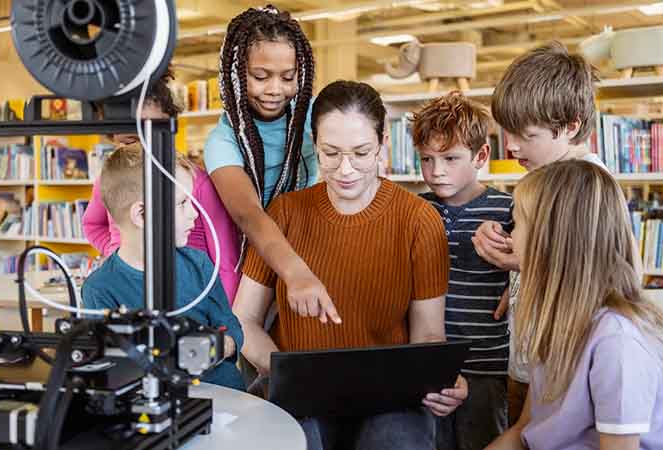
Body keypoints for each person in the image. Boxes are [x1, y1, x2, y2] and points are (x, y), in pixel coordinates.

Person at [232, 80, 468, 450]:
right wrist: (284, 371)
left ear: (382, 145)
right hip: (301, 395)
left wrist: (441, 382)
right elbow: (243, 319)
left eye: (360, 153)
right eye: (330, 153)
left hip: (391, 399)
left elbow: (427, 336)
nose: (345, 169)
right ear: (314, 145)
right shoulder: (286, 213)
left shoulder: (418, 220)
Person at [485, 159, 663, 450]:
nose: (510, 235)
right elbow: (524, 432)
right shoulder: (556, 321)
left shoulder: (617, 341)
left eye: (517, 224)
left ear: (552, 240)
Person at [470, 41, 606, 424]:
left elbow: (600, 276)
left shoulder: (590, 187)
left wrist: (519, 260)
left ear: (571, 126)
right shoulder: (541, 181)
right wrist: (514, 270)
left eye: (525, 135)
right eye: (506, 133)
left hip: (565, 375)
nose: (510, 147)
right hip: (527, 363)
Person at [205, 5, 341, 324]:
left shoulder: (310, 119)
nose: (275, 90)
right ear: (235, 75)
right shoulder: (222, 142)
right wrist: (295, 271)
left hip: (312, 244)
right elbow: (248, 213)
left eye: (288, 77)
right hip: (253, 263)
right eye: (260, 76)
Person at [81, 145, 244, 391]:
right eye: (182, 203)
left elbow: (232, 327)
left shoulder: (197, 264)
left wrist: (217, 347)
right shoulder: (99, 289)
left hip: (225, 398)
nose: (194, 214)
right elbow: (115, 369)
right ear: (142, 214)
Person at [82, 70, 242, 302]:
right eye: (130, 142)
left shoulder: (198, 182)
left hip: (191, 298)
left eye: (155, 135)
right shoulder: (108, 181)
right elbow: (92, 224)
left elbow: (225, 260)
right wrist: (114, 252)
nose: (145, 149)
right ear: (113, 138)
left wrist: (223, 316)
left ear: (171, 126)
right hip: (132, 293)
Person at [412, 92, 512, 450]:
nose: (437, 171)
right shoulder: (415, 210)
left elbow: (538, 264)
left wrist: (517, 283)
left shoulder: (509, 209)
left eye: (451, 158)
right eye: (427, 159)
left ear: (481, 156)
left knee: (483, 441)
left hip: (487, 366)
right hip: (430, 368)